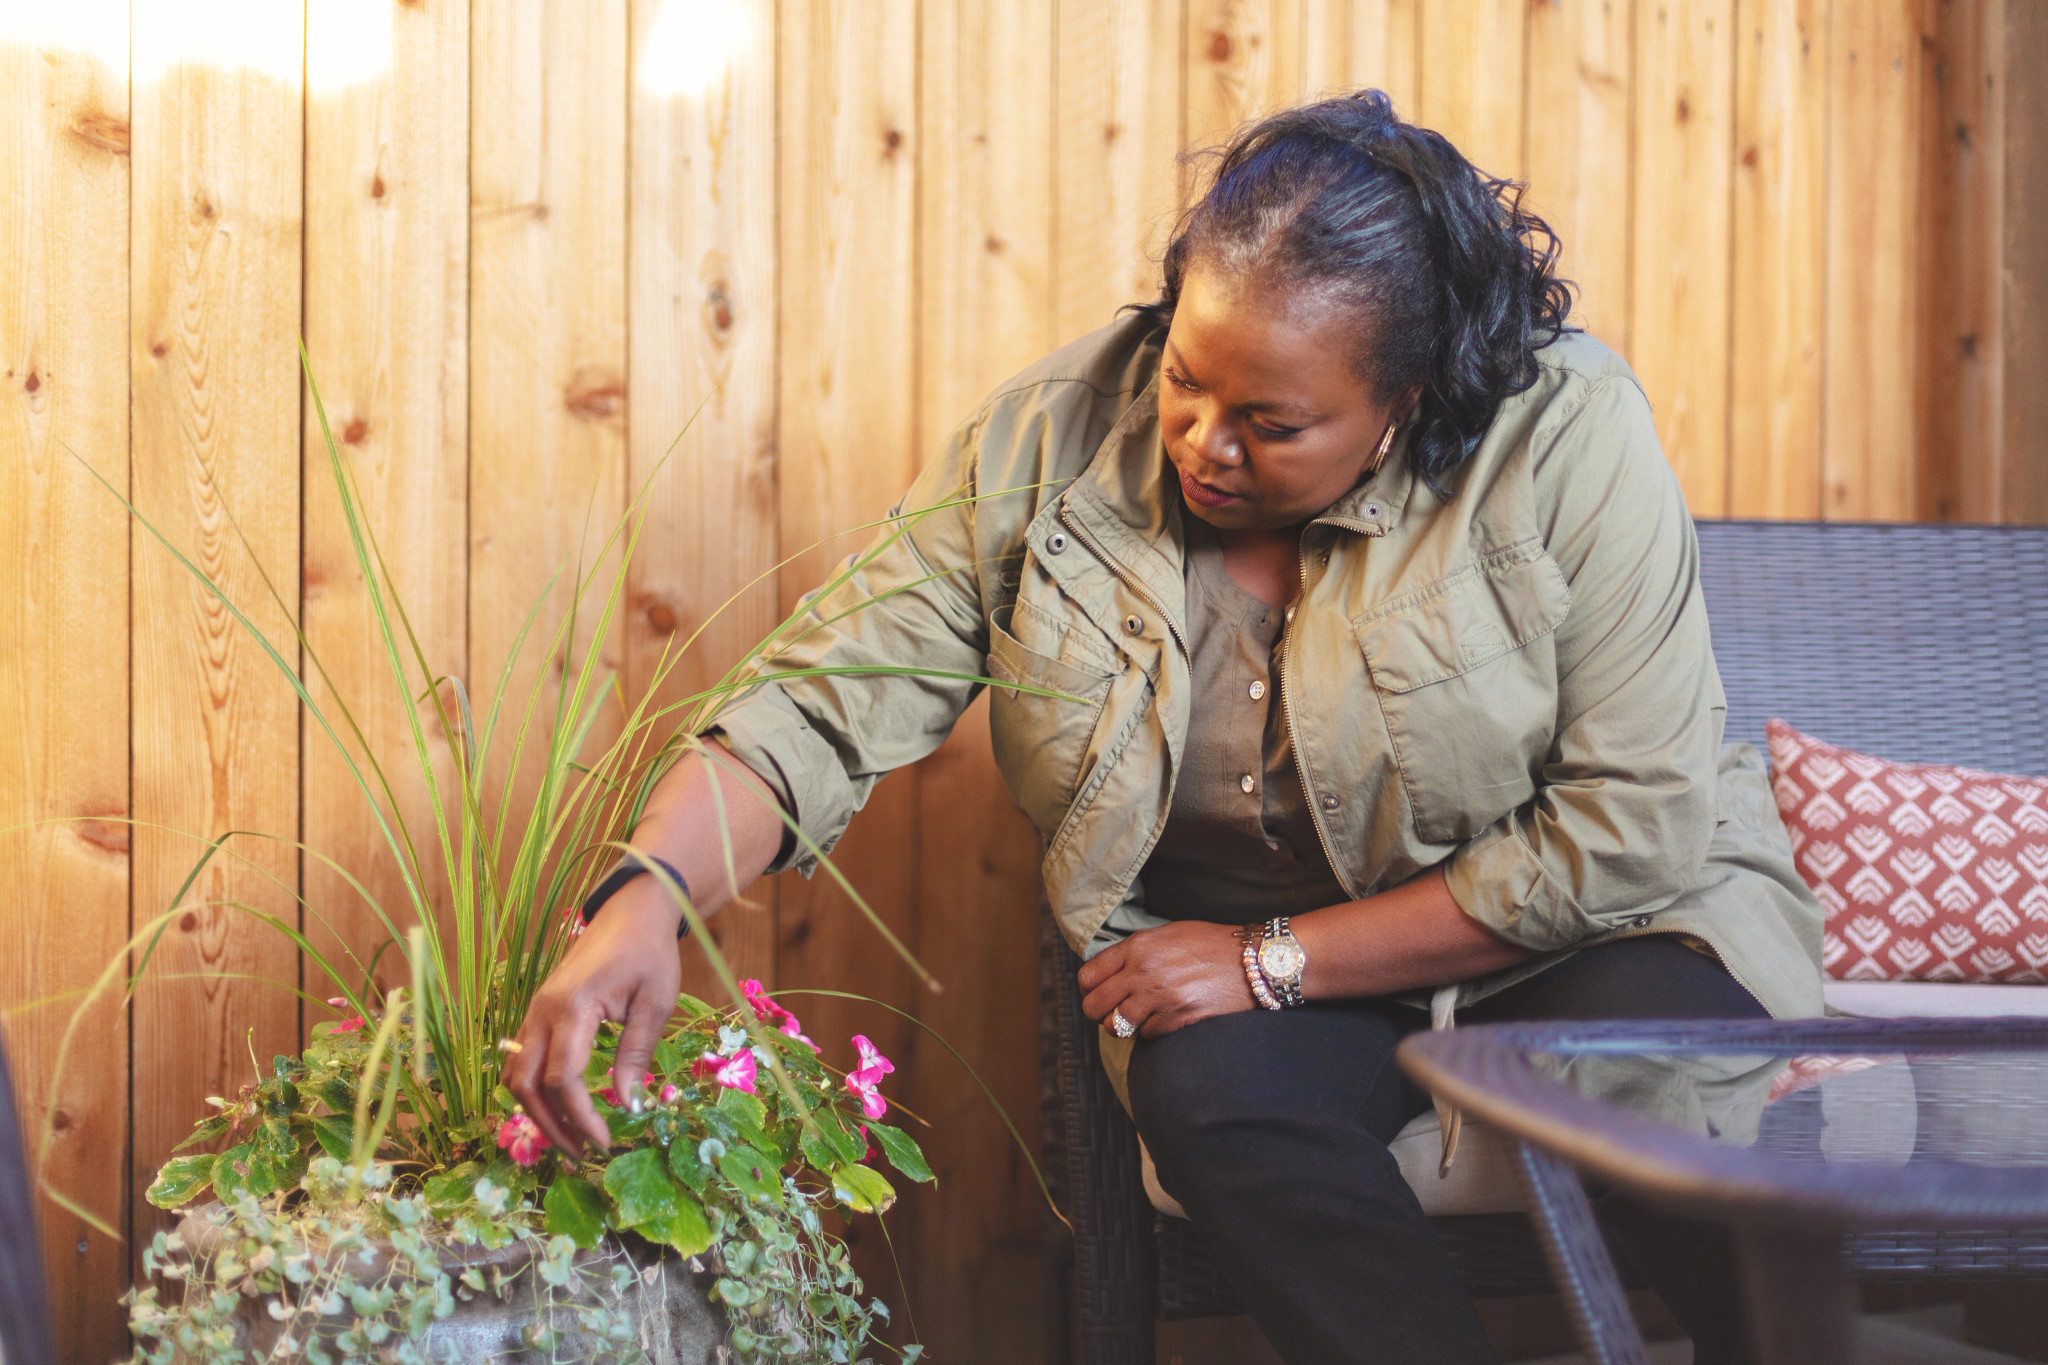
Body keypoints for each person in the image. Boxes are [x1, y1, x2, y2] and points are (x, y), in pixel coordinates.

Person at [506, 90, 1824, 1363]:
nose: (1203, 441)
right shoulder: (1048, 442)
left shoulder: (1564, 429)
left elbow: (1631, 822)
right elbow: (825, 692)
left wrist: (1273, 959)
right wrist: (649, 891)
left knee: (1673, 1073)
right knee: (1210, 1094)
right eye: (1189, 378)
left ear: (1404, 403)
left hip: (1593, 930)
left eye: (1274, 422)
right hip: (1274, 970)